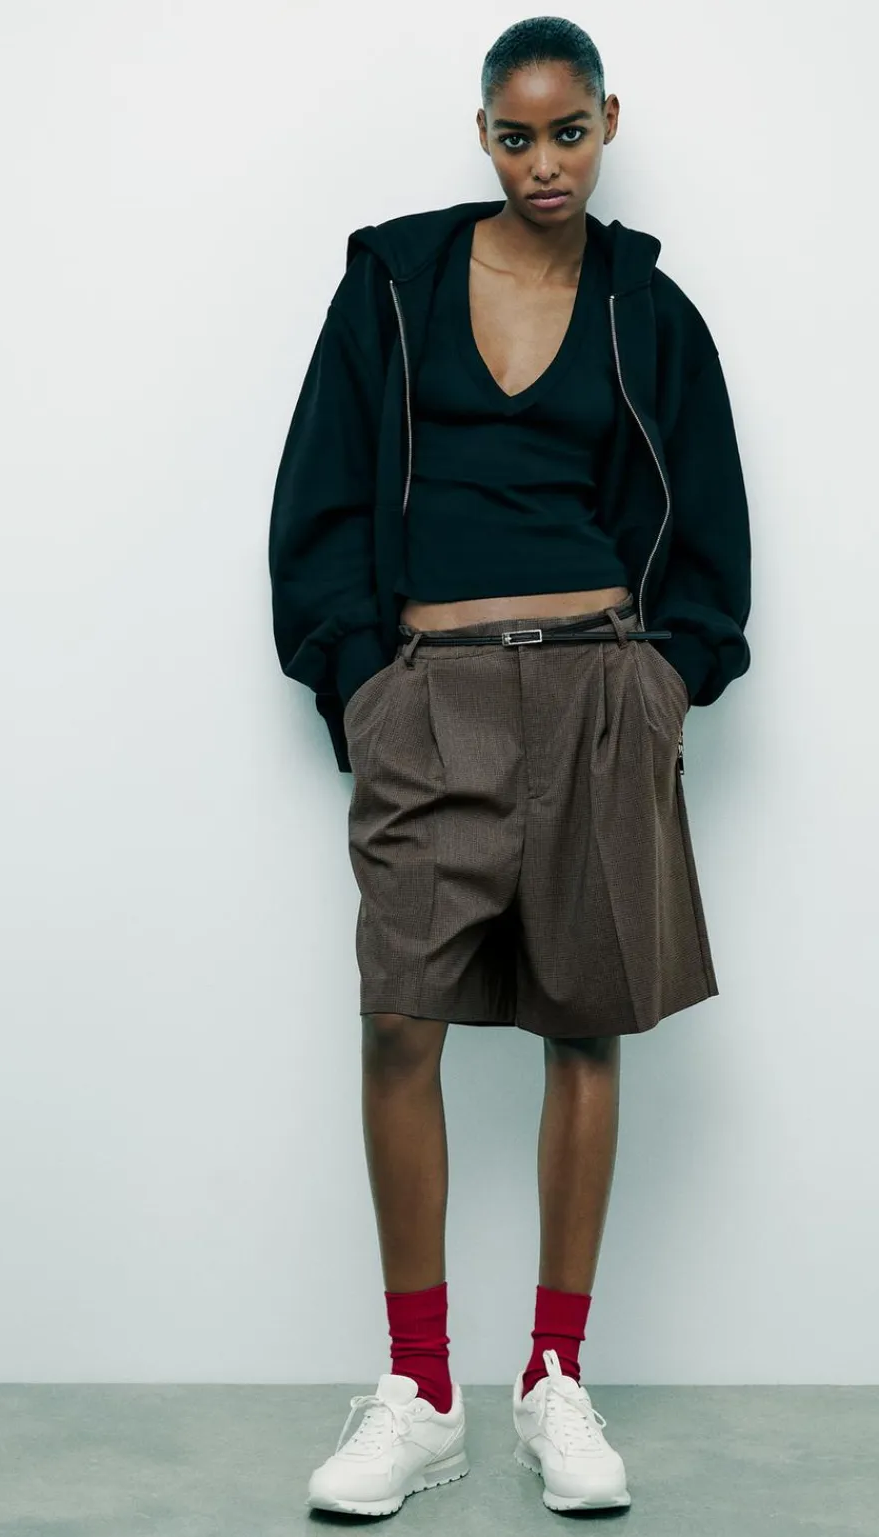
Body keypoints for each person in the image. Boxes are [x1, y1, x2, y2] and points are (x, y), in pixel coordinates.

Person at [267, 14, 751, 1519]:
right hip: (432, 695)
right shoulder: (394, 285)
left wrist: (668, 682)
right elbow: (317, 496)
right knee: (398, 1023)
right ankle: (420, 1393)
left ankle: (554, 1384)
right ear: (484, 133)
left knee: (584, 1032)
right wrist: (365, 687)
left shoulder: (649, 312)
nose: (547, 162)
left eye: (571, 132)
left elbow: (713, 524)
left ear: (608, 122)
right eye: (519, 135)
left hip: (602, 688)